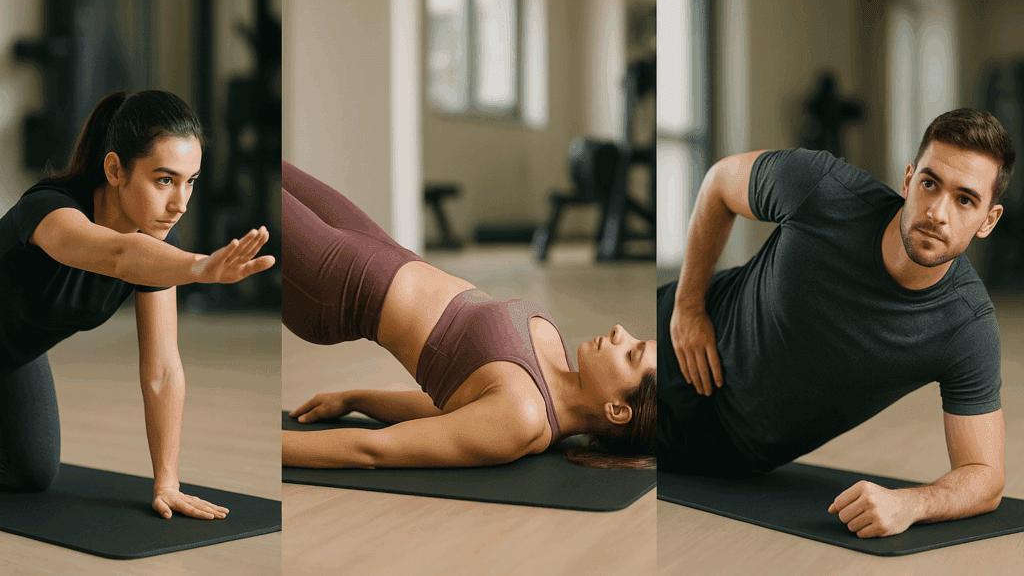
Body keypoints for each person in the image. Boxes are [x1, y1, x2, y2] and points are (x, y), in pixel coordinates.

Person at [659, 108, 1014, 539]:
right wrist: (690, 307)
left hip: (718, 455)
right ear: (907, 181)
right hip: (665, 340)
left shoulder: (967, 327)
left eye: (965, 199)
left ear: (988, 220)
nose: (938, 212)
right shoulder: (821, 186)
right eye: (929, 184)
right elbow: (719, 182)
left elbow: (985, 475)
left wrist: (910, 503)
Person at [0, 91, 275, 521]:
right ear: (114, 170)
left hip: (12, 358)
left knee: (33, 472)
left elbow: (163, 368)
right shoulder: (49, 209)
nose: (181, 203)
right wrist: (201, 268)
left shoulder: (158, 246)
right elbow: (117, 255)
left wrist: (167, 481)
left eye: (191, 181)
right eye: (164, 180)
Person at [280, 161, 656, 469]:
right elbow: (445, 409)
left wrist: (275, 446)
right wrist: (355, 399)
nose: (621, 332)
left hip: (335, 285)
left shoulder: (522, 418)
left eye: (632, 354)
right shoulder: (555, 360)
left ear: (617, 410)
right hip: (380, 248)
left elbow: (374, 449)